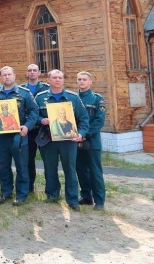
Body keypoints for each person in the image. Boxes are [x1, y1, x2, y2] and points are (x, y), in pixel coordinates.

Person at [34, 69, 89, 210]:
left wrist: (81, 134)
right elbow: (33, 116)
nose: (58, 80)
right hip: (48, 139)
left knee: (70, 169)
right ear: (48, 80)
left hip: (68, 140)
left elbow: (83, 119)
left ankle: (72, 199)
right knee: (49, 168)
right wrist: (42, 120)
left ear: (63, 80)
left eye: (60, 77)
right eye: (54, 77)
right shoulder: (40, 97)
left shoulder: (73, 98)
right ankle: (52, 194)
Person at [0, 66, 38, 205]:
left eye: (9, 74)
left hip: (19, 135)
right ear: (0, 77)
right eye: (4, 75)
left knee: (21, 165)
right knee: (3, 165)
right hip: (1, 136)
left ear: (14, 75)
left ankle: (22, 194)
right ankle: (6, 192)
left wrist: (27, 126)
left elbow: (34, 111)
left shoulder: (24, 93)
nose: (7, 77)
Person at [76, 71, 107, 210]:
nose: (81, 82)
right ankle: (86, 196)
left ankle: (99, 200)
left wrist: (85, 134)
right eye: (79, 79)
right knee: (81, 169)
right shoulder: (73, 98)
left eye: (84, 79)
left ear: (90, 82)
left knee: (95, 171)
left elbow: (99, 121)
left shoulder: (98, 99)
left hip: (92, 141)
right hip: (76, 140)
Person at [24, 63, 50, 192]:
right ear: (27, 73)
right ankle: (29, 187)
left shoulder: (46, 89)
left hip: (44, 130)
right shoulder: (21, 90)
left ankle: (50, 189)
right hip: (28, 130)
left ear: (39, 73)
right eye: (30, 70)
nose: (32, 72)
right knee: (28, 160)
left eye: (35, 70)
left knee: (48, 160)